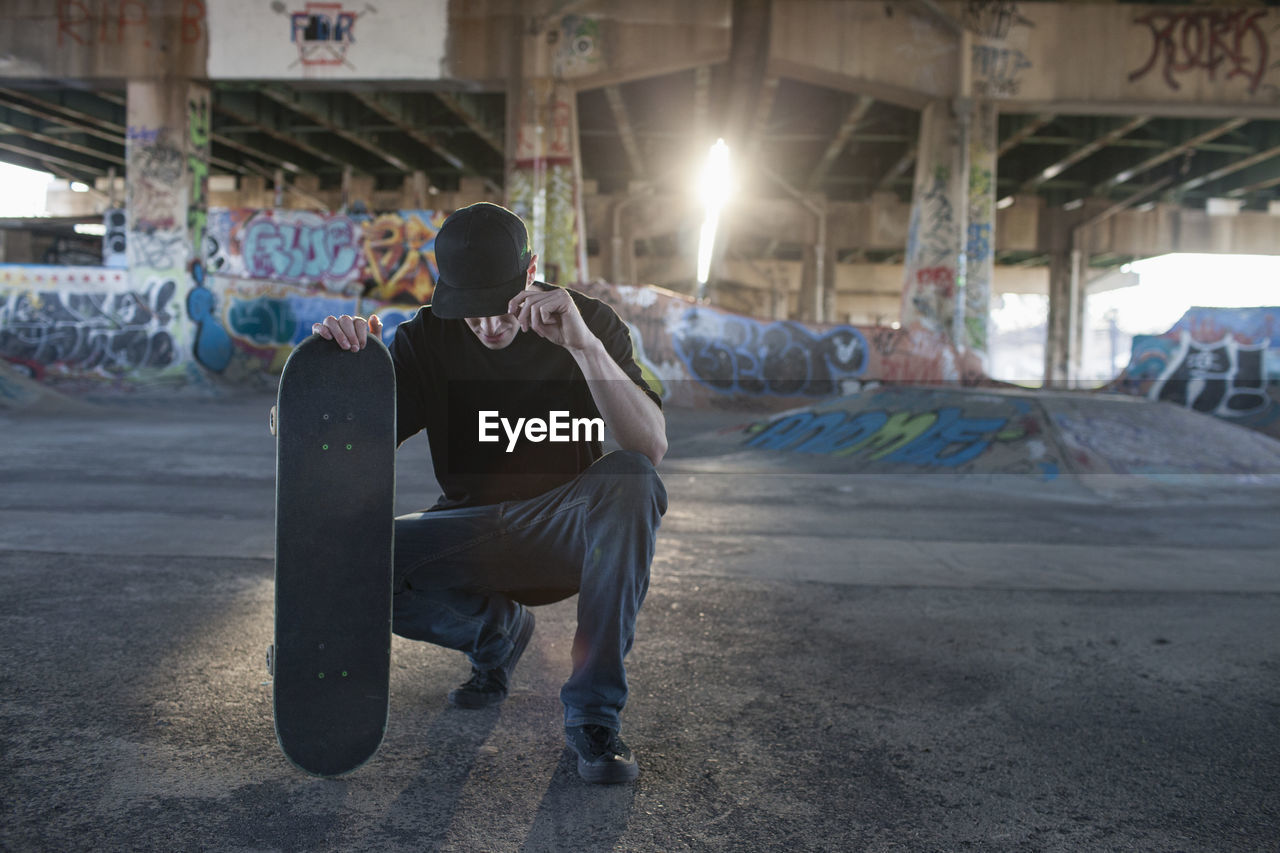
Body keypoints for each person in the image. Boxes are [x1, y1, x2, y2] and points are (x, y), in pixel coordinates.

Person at [313, 202, 667, 784]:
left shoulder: (592, 325)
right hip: (467, 532)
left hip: (564, 533)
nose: (490, 327)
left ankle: (593, 718)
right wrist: (340, 375)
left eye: (501, 308)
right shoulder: (426, 339)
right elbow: (340, 451)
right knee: (343, 556)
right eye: (470, 312)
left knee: (629, 480)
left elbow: (648, 450)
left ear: (531, 273)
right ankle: (495, 631)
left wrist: (582, 347)